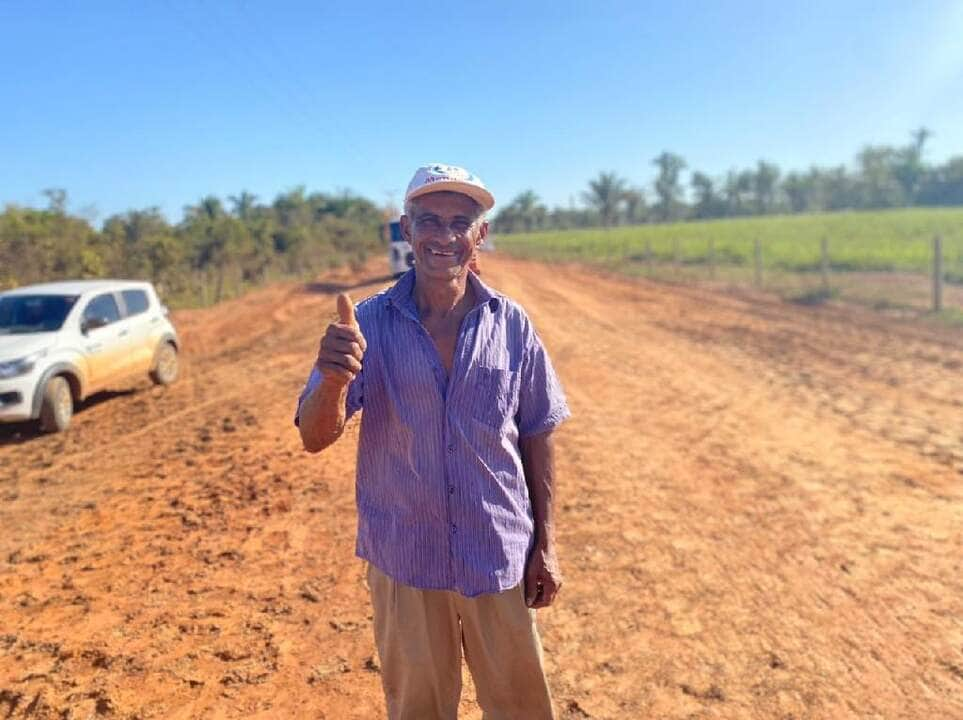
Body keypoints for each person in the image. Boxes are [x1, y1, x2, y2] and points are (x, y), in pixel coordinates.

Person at [295, 163, 570, 719]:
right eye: (428, 221)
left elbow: (538, 429)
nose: (443, 236)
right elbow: (314, 437)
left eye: (459, 222)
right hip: (406, 560)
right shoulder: (368, 325)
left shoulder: (511, 324)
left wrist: (546, 543)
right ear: (405, 228)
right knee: (419, 709)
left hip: (497, 554)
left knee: (522, 709)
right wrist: (332, 378)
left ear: (480, 236)